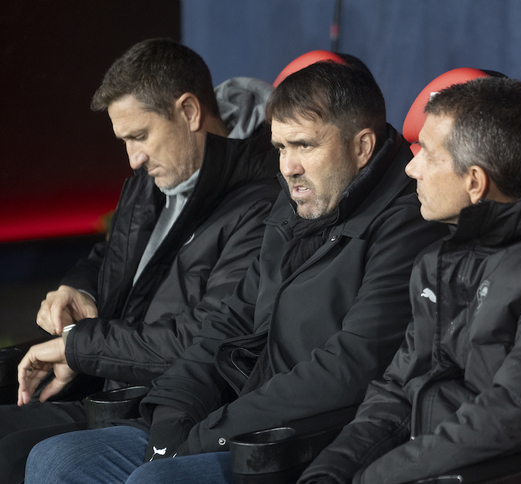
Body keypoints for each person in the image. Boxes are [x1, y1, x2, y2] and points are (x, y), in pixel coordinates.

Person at [24, 60, 449, 483]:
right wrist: (172, 419)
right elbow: (232, 316)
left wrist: (209, 435)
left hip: (297, 440)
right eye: (281, 147)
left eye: (304, 145)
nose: (288, 167)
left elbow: (351, 366)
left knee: (154, 481)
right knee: (54, 460)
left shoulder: (408, 220)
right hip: (229, 416)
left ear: (362, 147)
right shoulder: (297, 197)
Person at [298, 76, 521, 484]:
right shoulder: (445, 253)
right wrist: (330, 474)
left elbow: (514, 418)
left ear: (475, 182)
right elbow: (397, 391)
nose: (411, 167)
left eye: (429, 156)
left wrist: (373, 480)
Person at [0, 38, 280, 483]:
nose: (133, 158)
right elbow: (108, 255)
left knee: (25, 457)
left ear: (188, 112)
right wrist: (79, 288)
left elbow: (208, 337)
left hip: (162, 401)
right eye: (125, 140)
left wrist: (80, 346)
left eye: (140, 136)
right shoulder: (156, 176)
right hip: (110, 378)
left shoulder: (262, 201)